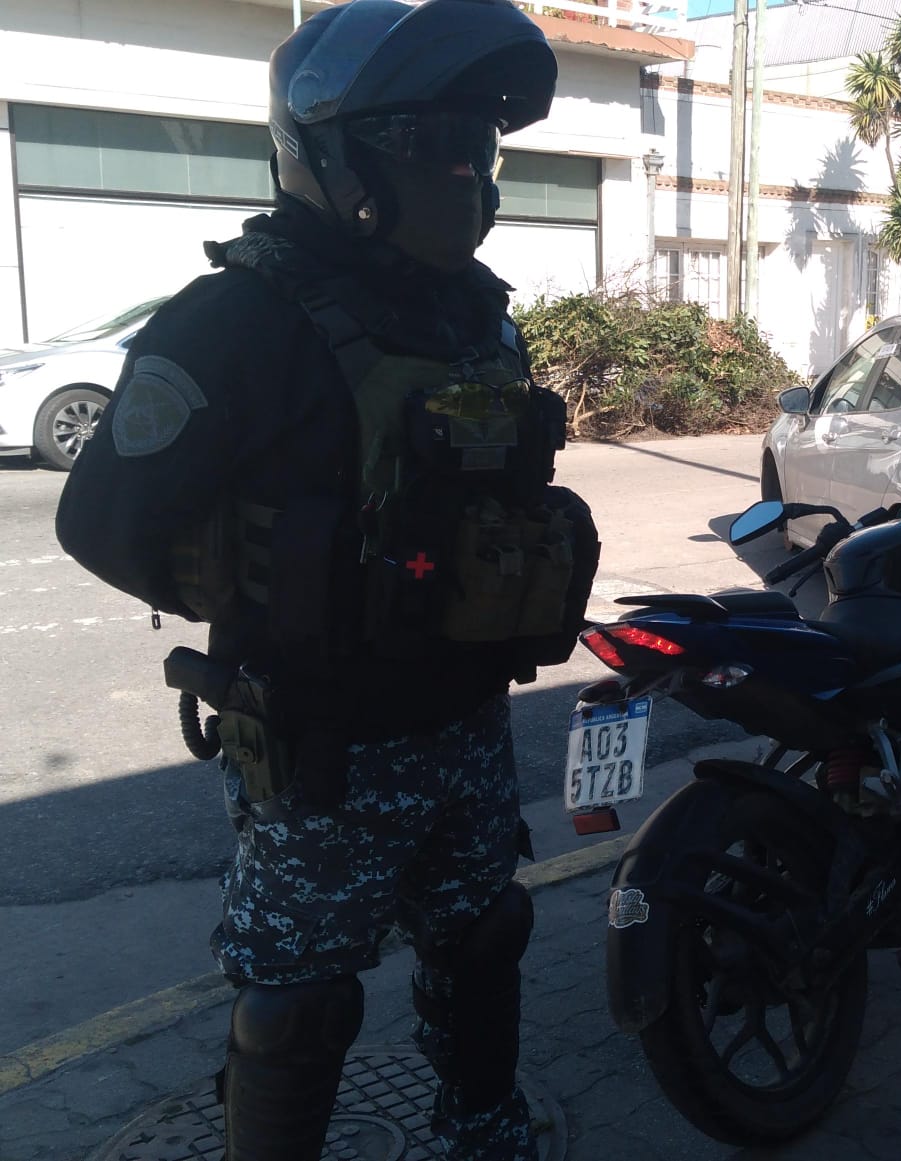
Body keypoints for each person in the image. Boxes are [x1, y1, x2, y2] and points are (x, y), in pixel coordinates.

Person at [55, 2, 598, 1158]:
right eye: (430, 144)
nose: (462, 172)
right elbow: (102, 524)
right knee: (297, 1001)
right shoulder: (235, 320)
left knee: (484, 936)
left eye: (476, 145)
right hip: (320, 748)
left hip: (466, 722)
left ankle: (484, 1127)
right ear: (329, 156)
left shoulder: (473, 317)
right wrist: (270, 596)